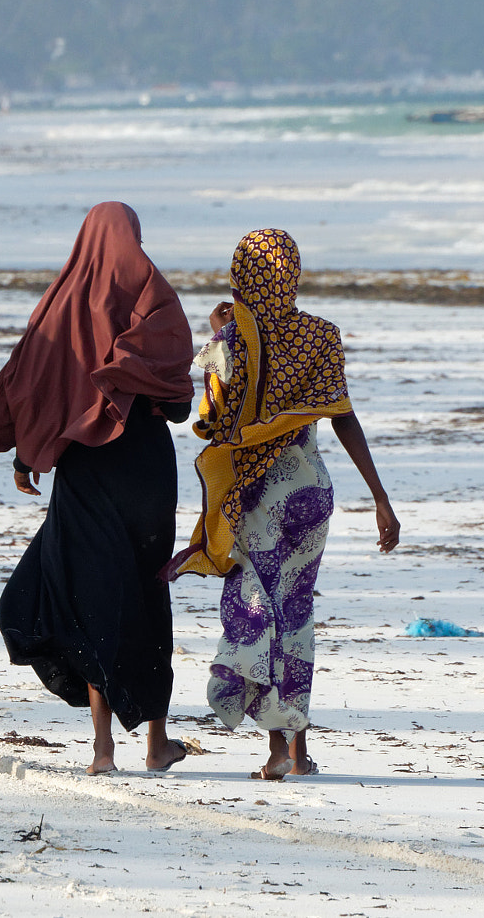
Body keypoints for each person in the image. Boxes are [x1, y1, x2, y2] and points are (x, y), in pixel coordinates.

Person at [0, 201, 196, 775]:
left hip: (84, 467)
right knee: (147, 592)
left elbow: (33, 380)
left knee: (91, 595)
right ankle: (156, 744)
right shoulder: (155, 298)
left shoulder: (62, 303)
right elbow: (177, 403)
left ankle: (102, 751)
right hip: (145, 469)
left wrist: (26, 454)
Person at [169, 228, 400, 780]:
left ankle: (277, 751)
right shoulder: (321, 336)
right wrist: (380, 498)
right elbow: (343, 415)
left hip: (260, 502)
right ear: (292, 273)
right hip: (311, 494)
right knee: (295, 613)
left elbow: (211, 421)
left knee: (261, 613)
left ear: (241, 274)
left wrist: (219, 339)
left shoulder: (232, 343)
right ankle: (297, 753)